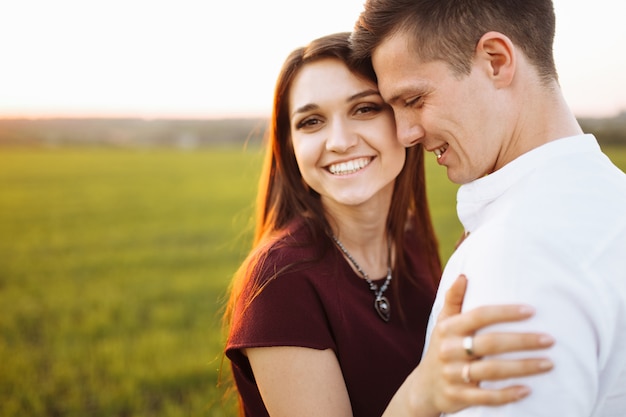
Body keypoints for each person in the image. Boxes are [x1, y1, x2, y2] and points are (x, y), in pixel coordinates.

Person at [223, 32, 555, 417]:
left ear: (405, 117)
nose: (340, 141)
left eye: (364, 109)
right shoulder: (279, 282)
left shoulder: (412, 243)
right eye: (311, 122)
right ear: (291, 145)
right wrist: (421, 393)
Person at [351, 0, 626, 416]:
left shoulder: (516, 259)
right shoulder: (611, 197)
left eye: (415, 99)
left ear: (495, 61)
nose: (405, 133)